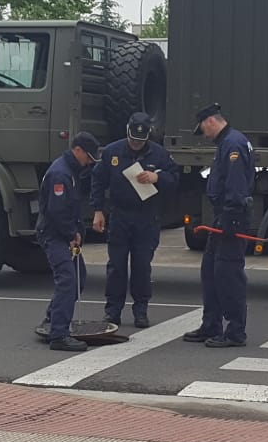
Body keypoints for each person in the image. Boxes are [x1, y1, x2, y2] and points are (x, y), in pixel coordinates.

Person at [90, 112, 180, 328]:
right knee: (116, 267)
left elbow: (175, 179)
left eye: (141, 141)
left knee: (141, 266)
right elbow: (98, 181)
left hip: (146, 216)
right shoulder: (113, 151)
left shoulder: (159, 155)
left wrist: (157, 177)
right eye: (133, 139)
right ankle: (112, 311)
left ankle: (141, 311)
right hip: (120, 215)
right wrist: (98, 210)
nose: (136, 144)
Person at [182, 103, 255, 348]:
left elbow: (235, 186)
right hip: (223, 216)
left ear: (210, 122)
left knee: (228, 275)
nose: (203, 135)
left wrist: (231, 218)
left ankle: (235, 332)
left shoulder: (233, 144)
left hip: (231, 217)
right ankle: (211, 324)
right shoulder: (227, 143)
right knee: (210, 271)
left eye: (202, 129)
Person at [36, 132, 101, 351]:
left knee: (78, 276)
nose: (90, 162)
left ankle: (52, 318)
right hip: (55, 234)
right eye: (88, 157)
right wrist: (71, 235)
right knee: (68, 279)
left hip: (62, 233)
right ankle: (59, 335)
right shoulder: (61, 175)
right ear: (78, 150)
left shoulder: (70, 171)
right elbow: (58, 211)